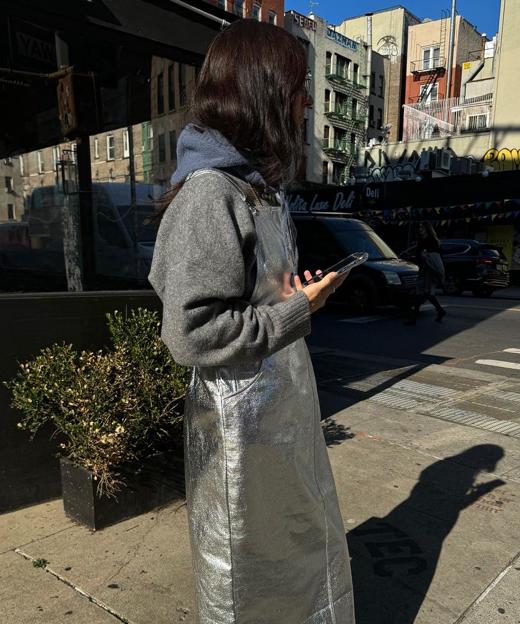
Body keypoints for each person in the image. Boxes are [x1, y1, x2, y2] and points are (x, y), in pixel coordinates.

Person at [148, 20, 354, 624]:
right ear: (262, 92)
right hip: (238, 427)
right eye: (300, 87)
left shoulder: (258, 191)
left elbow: (252, 300)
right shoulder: (210, 195)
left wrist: (289, 292)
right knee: (242, 566)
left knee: (298, 550)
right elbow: (189, 334)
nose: (307, 102)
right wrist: (297, 310)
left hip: (280, 415)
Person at [407, 222, 446, 323]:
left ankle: (413, 319)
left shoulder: (431, 240)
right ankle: (440, 311)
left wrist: (424, 255)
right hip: (424, 269)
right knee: (426, 293)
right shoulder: (422, 240)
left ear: (427, 229)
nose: (420, 229)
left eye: (422, 227)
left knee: (419, 293)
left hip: (428, 270)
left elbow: (433, 255)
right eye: (420, 227)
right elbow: (419, 255)